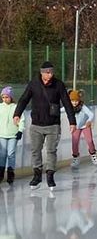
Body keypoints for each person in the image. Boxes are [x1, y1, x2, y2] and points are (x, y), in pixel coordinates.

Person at [13, 61, 76, 190]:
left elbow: (67, 102)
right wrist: (17, 113)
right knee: (35, 150)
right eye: (48, 72)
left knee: (51, 151)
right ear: (42, 73)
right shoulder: (34, 84)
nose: (50, 75)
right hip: (36, 124)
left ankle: (50, 175)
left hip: (53, 125)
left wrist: (72, 121)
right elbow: (24, 98)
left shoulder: (58, 85)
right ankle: (37, 176)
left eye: (52, 72)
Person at [0, 87, 25, 184]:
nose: (5, 99)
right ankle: (1, 172)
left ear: (11, 97)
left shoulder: (16, 107)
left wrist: (20, 131)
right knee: (2, 154)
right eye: (3, 97)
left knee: (11, 153)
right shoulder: (0, 107)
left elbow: (21, 119)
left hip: (13, 134)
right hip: (2, 134)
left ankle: (10, 172)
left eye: (7, 97)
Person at [68, 89, 97, 168]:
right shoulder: (68, 106)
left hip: (85, 126)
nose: (74, 103)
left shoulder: (82, 107)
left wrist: (88, 121)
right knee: (74, 143)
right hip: (76, 127)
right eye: (72, 101)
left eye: (76, 101)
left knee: (89, 140)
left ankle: (93, 154)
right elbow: (60, 110)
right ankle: (75, 157)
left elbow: (91, 114)